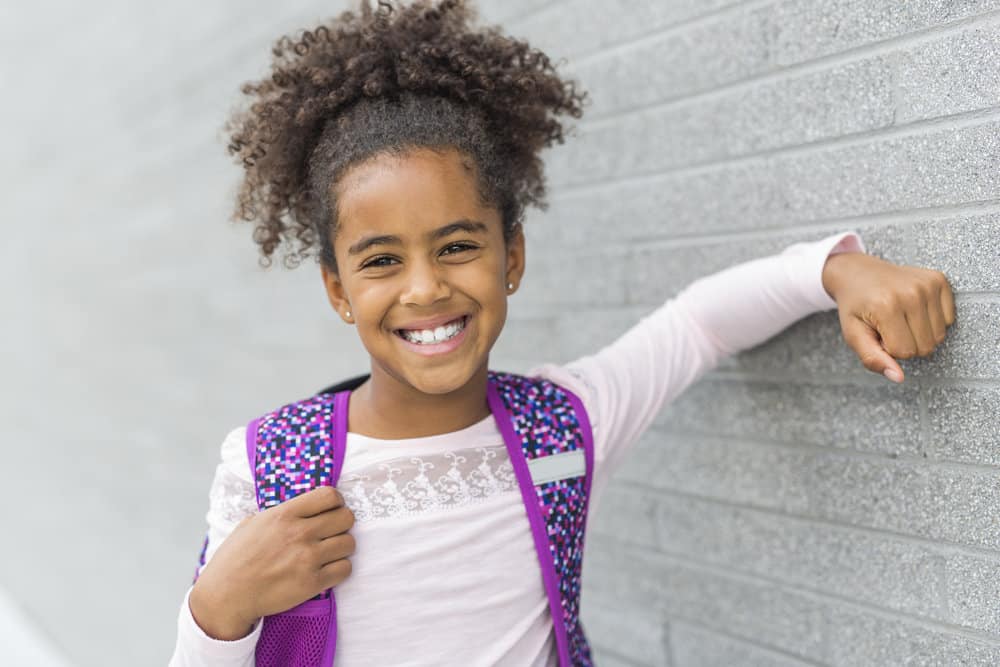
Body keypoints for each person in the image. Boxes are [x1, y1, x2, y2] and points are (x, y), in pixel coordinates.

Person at [168, 1, 956, 665]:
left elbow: (695, 327)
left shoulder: (563, 424)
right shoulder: (269, 465)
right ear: (338, 289)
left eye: (457, 246)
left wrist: (832, 273)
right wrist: (218, 605)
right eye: (381, 260)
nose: (425, 287)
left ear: (511, 255)